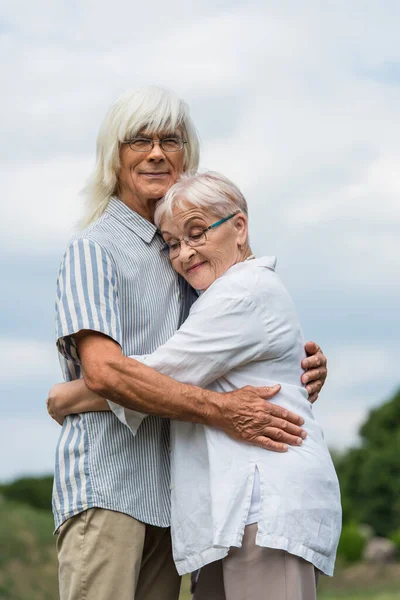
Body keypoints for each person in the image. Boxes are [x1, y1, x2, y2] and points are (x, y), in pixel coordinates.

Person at [49, 86, 328, 600]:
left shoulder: (188, 254)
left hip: (178, 499)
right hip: (111, 484)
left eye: (170, 140)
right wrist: (222, 409)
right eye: (139, 140)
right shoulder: (95, 248)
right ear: (114, 155)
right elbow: (106, 373)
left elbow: (233, 342)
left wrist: (295, 365)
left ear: (186, 156)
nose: (156, 152)